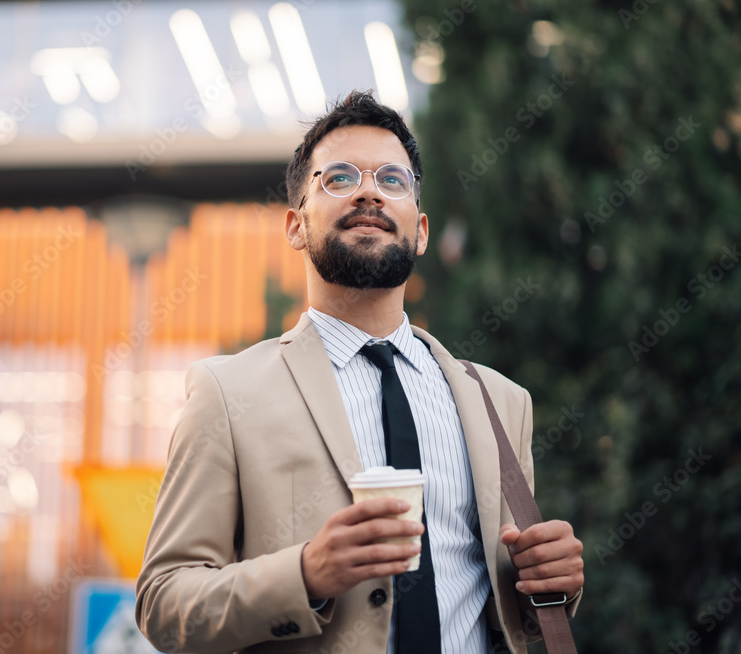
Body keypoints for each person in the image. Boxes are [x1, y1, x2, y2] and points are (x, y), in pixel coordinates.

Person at [135, 90, 584, 654]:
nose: (369, 190)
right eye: (339, 178)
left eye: (392, 180)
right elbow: (164, 602)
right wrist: (304, 575)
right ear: (296, 225)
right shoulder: (226, 393)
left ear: (419, 231)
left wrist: (552, 585)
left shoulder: (499, 400)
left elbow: (503, 607)